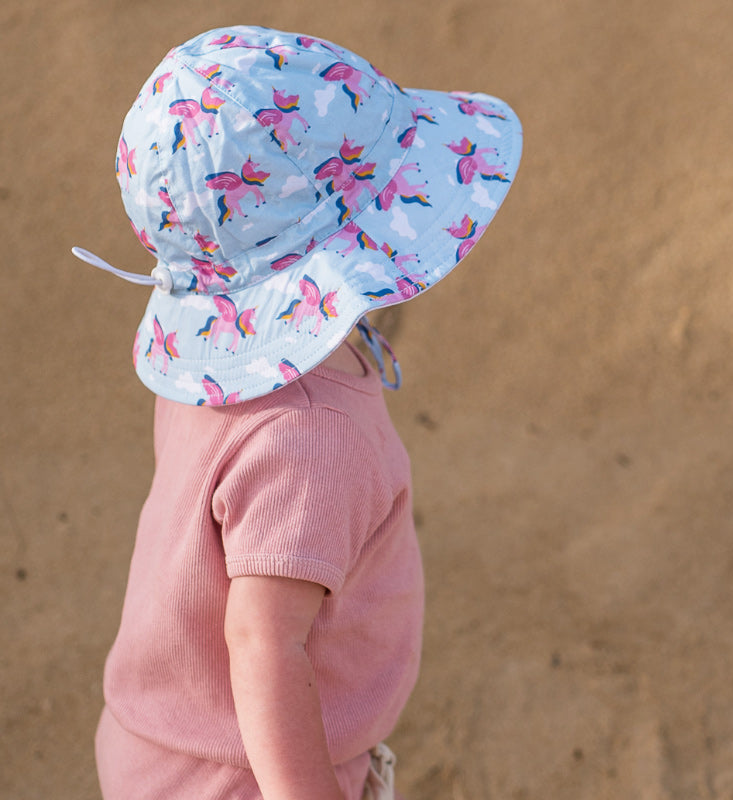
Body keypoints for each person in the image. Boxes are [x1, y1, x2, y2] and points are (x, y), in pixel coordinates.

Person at [73, 24, 522, 800]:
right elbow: (264, 643)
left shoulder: (218, 374)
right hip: (241, 775)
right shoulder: (314, 437)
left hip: (161, 744)